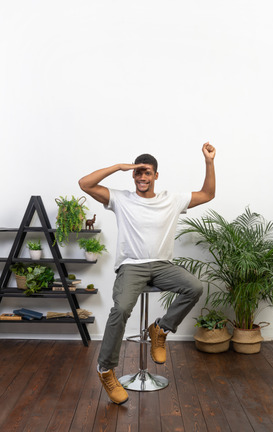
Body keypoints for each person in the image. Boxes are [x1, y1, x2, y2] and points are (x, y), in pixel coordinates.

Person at [79, 142, 216, 404]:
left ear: (156, 175)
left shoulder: (171, 200)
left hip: (163, 265)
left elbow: (208, 194)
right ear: (133, 175)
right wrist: (119, 166)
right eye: (138, 172)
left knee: (194, 287)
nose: (142, 177)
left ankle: (160, 329)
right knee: (120, 309)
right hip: (132, 266)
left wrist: (209, 161)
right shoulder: (121, 199)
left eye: (147, 172)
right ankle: (106, 370)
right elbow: (85, 183)